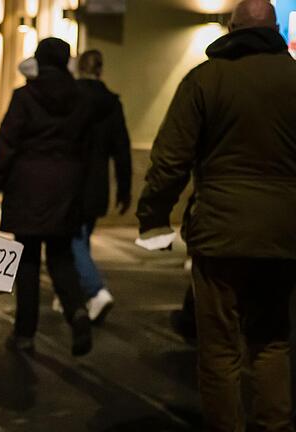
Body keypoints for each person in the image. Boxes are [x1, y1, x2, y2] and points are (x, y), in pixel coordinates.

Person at [136, 1, 296, 429]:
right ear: (275, 29)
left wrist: (153, 216)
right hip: (284, 234)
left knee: (220, 348)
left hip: (220, 231)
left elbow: (170, 160)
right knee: (272, 341)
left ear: (230, 27)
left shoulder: (204, 80)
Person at [0, 37, 93, 357]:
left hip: (27, 186)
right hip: (65, 187)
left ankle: (24, 333)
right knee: (61, 257)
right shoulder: (82, 100)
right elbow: (87, 151)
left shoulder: (24, 96)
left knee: (28, 262)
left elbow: (7, 145)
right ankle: (77, 311)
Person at [70, 50, 132, 323]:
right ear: (100, 70)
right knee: (82, 239)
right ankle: (75, 293)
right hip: (97, 184)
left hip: (71, 181)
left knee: (73, 241)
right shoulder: (112, 104)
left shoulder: (71, 97)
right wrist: (125, 188)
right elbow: (122, 150)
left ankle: (96, 291)